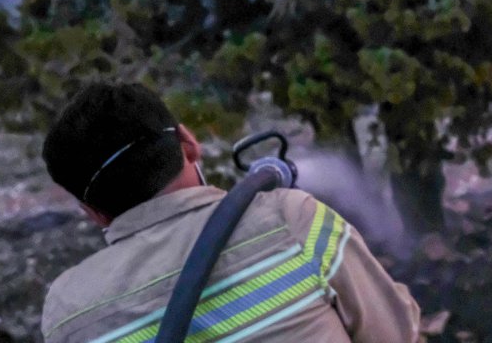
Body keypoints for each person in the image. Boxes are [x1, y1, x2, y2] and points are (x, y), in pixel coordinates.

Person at [39, 83, 420, 343]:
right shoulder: (290, 220)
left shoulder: (68, 312)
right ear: (188, 145)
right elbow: (396, 333)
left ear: (93, 213)